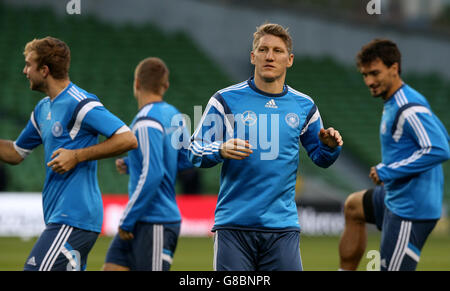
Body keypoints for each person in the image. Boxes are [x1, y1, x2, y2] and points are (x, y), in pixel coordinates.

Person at [188, 23, 343, 271]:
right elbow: (194, 150)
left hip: (282, 229)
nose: (270, 56)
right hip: (234, 227)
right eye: (263, 49)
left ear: (289, 59)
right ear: (253, 56)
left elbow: (322, 158)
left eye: (278, 51)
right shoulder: (225, 100)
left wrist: (330, 147)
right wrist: (220, 149)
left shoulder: (304, 106)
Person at [0, 37, 138, 271]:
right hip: (60, 216)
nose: (24, 71)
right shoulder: (43, 107)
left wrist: (77, 155)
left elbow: (128, 138)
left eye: (28, 65)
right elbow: (15, 153)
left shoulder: (80, 103)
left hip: (75, 215)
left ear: (44, 70)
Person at [338, 39, 450, 271]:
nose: (369, 81)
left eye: (375, 73)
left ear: (394, 68)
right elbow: (442, 137)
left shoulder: (408, 106)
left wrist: (387, 171)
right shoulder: (399, 100)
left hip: (410, 209)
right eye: (365, 74)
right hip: (395, 196)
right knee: (353, 207)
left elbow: (439, 148)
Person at [103, 57, 192, 271]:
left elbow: (153, 174)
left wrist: (127, 219)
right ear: (166, 85)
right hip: (149, 220)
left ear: (136, 83)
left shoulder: (145, 121)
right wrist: (132, 163)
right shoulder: (175, 115)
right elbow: (186, 160)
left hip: (153, 220)